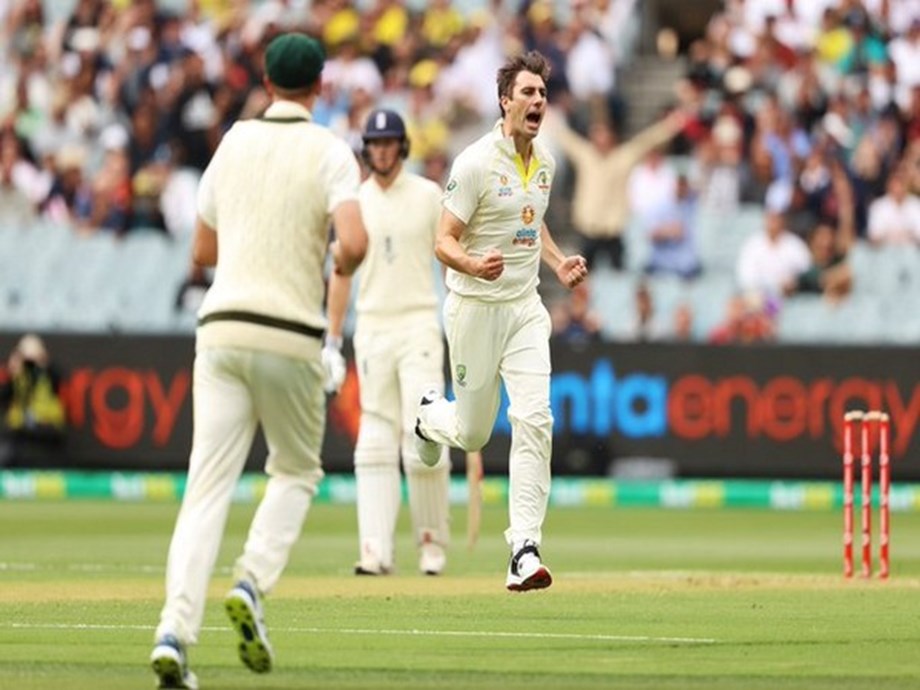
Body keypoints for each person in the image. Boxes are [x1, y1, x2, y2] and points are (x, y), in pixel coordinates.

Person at [150, 33, 367, 690]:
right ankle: (250, 581)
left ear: (266, 83)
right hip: (291, 333)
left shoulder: (233, 142)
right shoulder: (331, 152)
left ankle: (173, 632)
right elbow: (353, 244)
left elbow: (200, 252)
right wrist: (333, 260)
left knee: (205, 489)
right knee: (297, 472)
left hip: (219, 328)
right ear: (319, 87)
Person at [413, 51, 588, 592]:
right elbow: (442, 240)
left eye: (542, 93)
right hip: (473, 309)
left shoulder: (547, 162)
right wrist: (470, 263)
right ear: (505, 101)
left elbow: (531, 228)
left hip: (525, 310)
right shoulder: (473, 164)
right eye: (528, 93)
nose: (537, 102)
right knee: (470, 433)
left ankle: (524, 550)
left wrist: (556, 260)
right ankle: (426, 419)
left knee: (535, 419)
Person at [323, 108, 452, 577]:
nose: (381, 150)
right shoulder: (352, 202)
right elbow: (341, 272)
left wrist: (461, 322)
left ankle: (431, 544)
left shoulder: (428, 195)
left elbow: (449, 257)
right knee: (374, 442)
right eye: (373, 143)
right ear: (366, 149)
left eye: (388, 142)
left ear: (402, 146)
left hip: (419, 322)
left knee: (422, 436)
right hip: (373, 327)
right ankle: (375, 550)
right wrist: (332, 339)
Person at [0, 334, 66, 467]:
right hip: (20, 431)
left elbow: (58, 379)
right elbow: (5, 396)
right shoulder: (17, 379)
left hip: (46, 426)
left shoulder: (48, 374)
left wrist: (41, 364)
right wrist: (14, 370)